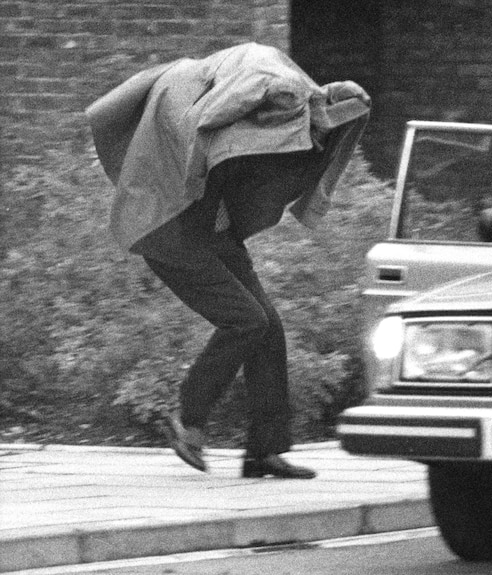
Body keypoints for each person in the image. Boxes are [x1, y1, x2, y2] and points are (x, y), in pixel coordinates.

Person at [86, 43, 370, 477]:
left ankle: (263, 452)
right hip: (171, 235)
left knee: (268, 328)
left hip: (212, 235)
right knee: (247, 322)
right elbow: (208, 121)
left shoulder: (263, 124)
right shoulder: (238, 104)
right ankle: (189, 418)